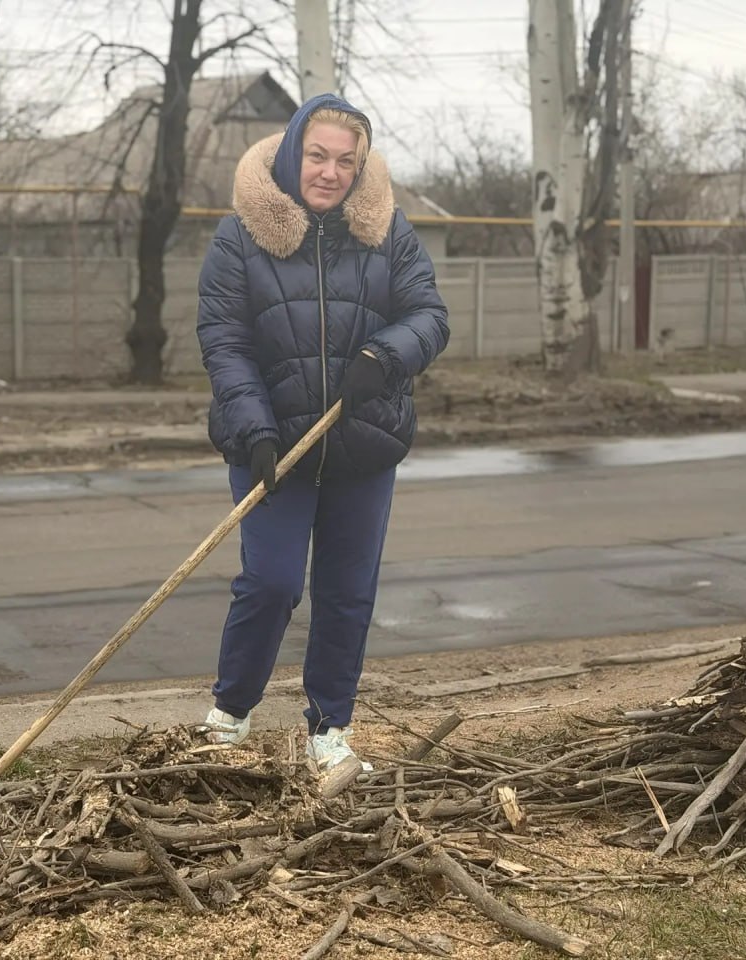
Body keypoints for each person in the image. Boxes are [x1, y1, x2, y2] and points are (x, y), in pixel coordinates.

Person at [195, 92, 450, 773]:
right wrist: (254, 430)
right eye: (317, 156)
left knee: (348, 590)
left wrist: (384, 356)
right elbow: (224, 342)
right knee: (272, 583)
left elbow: (429, 313)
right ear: (292, 153)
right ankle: (231, 712)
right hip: (272, 443)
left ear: (360, 167)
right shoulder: (240, 235)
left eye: (346, 161)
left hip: (362, 441)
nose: (330, 172)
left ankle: (328, 728)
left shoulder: (387, 231)